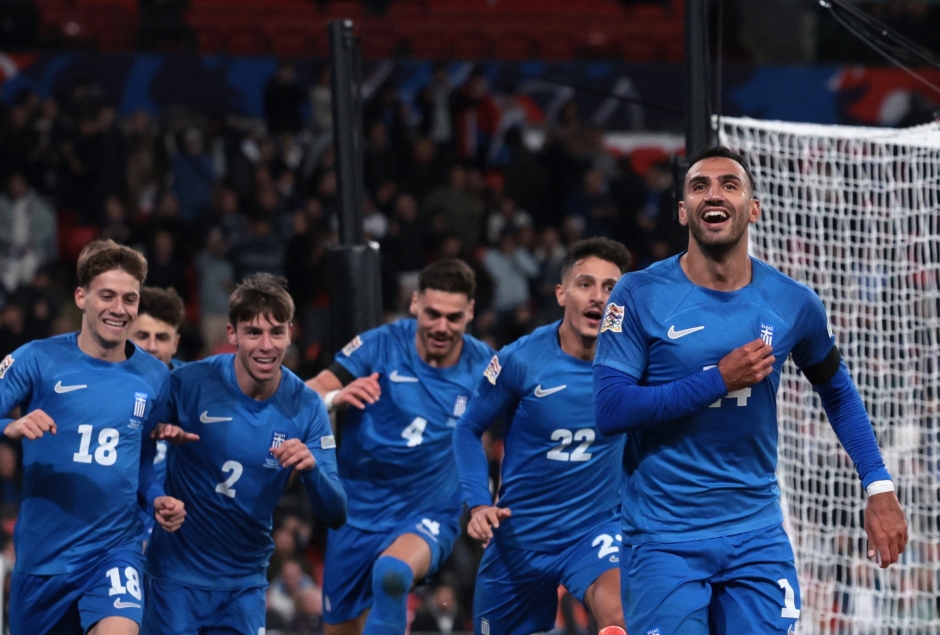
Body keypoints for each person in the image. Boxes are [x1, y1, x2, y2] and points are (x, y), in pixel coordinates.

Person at [592, 147, 908, 634]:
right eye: (699, 186)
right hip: (663, 537)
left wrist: (879, 485)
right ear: (683, 211)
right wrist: (717, 379)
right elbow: (611, 409)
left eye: (728, 185)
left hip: (755, 533)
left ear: (753, 208)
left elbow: (838, 394)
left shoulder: (794, 303)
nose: (713, 194)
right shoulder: (637, 294)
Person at [0, 239, 186, 635]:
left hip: (114, 553)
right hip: (43, 562)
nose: (119, 308)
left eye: (129, 298)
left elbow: (141, 462)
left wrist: (156, 497)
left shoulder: (154, 377)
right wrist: (9, 427)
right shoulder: (37, 359)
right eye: (107, 295)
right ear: (81, 297)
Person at [142, 273, 347, 634]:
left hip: (244, 587)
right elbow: (136, 451)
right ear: (232, 334)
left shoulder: (308, 407)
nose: (266, 346)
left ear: (291, 333)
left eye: (276, 332)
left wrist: (312, 470)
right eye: (253, 332)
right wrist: (157, 491)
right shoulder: (189, 383)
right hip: (175, 579)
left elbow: (336, 512)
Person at [306, 259, 494, 635]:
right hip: (355, 512)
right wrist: (338, 396)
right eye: (433, 314)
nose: (442, 327)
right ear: (415, 304)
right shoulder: (380, 345)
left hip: (427, 512)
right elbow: (310, 390)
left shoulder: (484, 368)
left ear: (470, 312)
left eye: (454, 317)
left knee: (392, 575)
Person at [454, 237, 631, 635]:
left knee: (618, 617)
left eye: (610, 288)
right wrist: (480, 504)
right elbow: (467, 429)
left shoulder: (637, 362)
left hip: (596, 530)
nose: (597, 298)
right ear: (561, 292)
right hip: (520, 535)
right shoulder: (519, 360)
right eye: (585, 284)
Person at [129, 285, 186, 536]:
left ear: (175, 343)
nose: (151, 346)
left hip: (180, 536)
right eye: (142, 335)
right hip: (120, 536)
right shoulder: (106, 387)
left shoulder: (196, 390)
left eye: (161, 338)